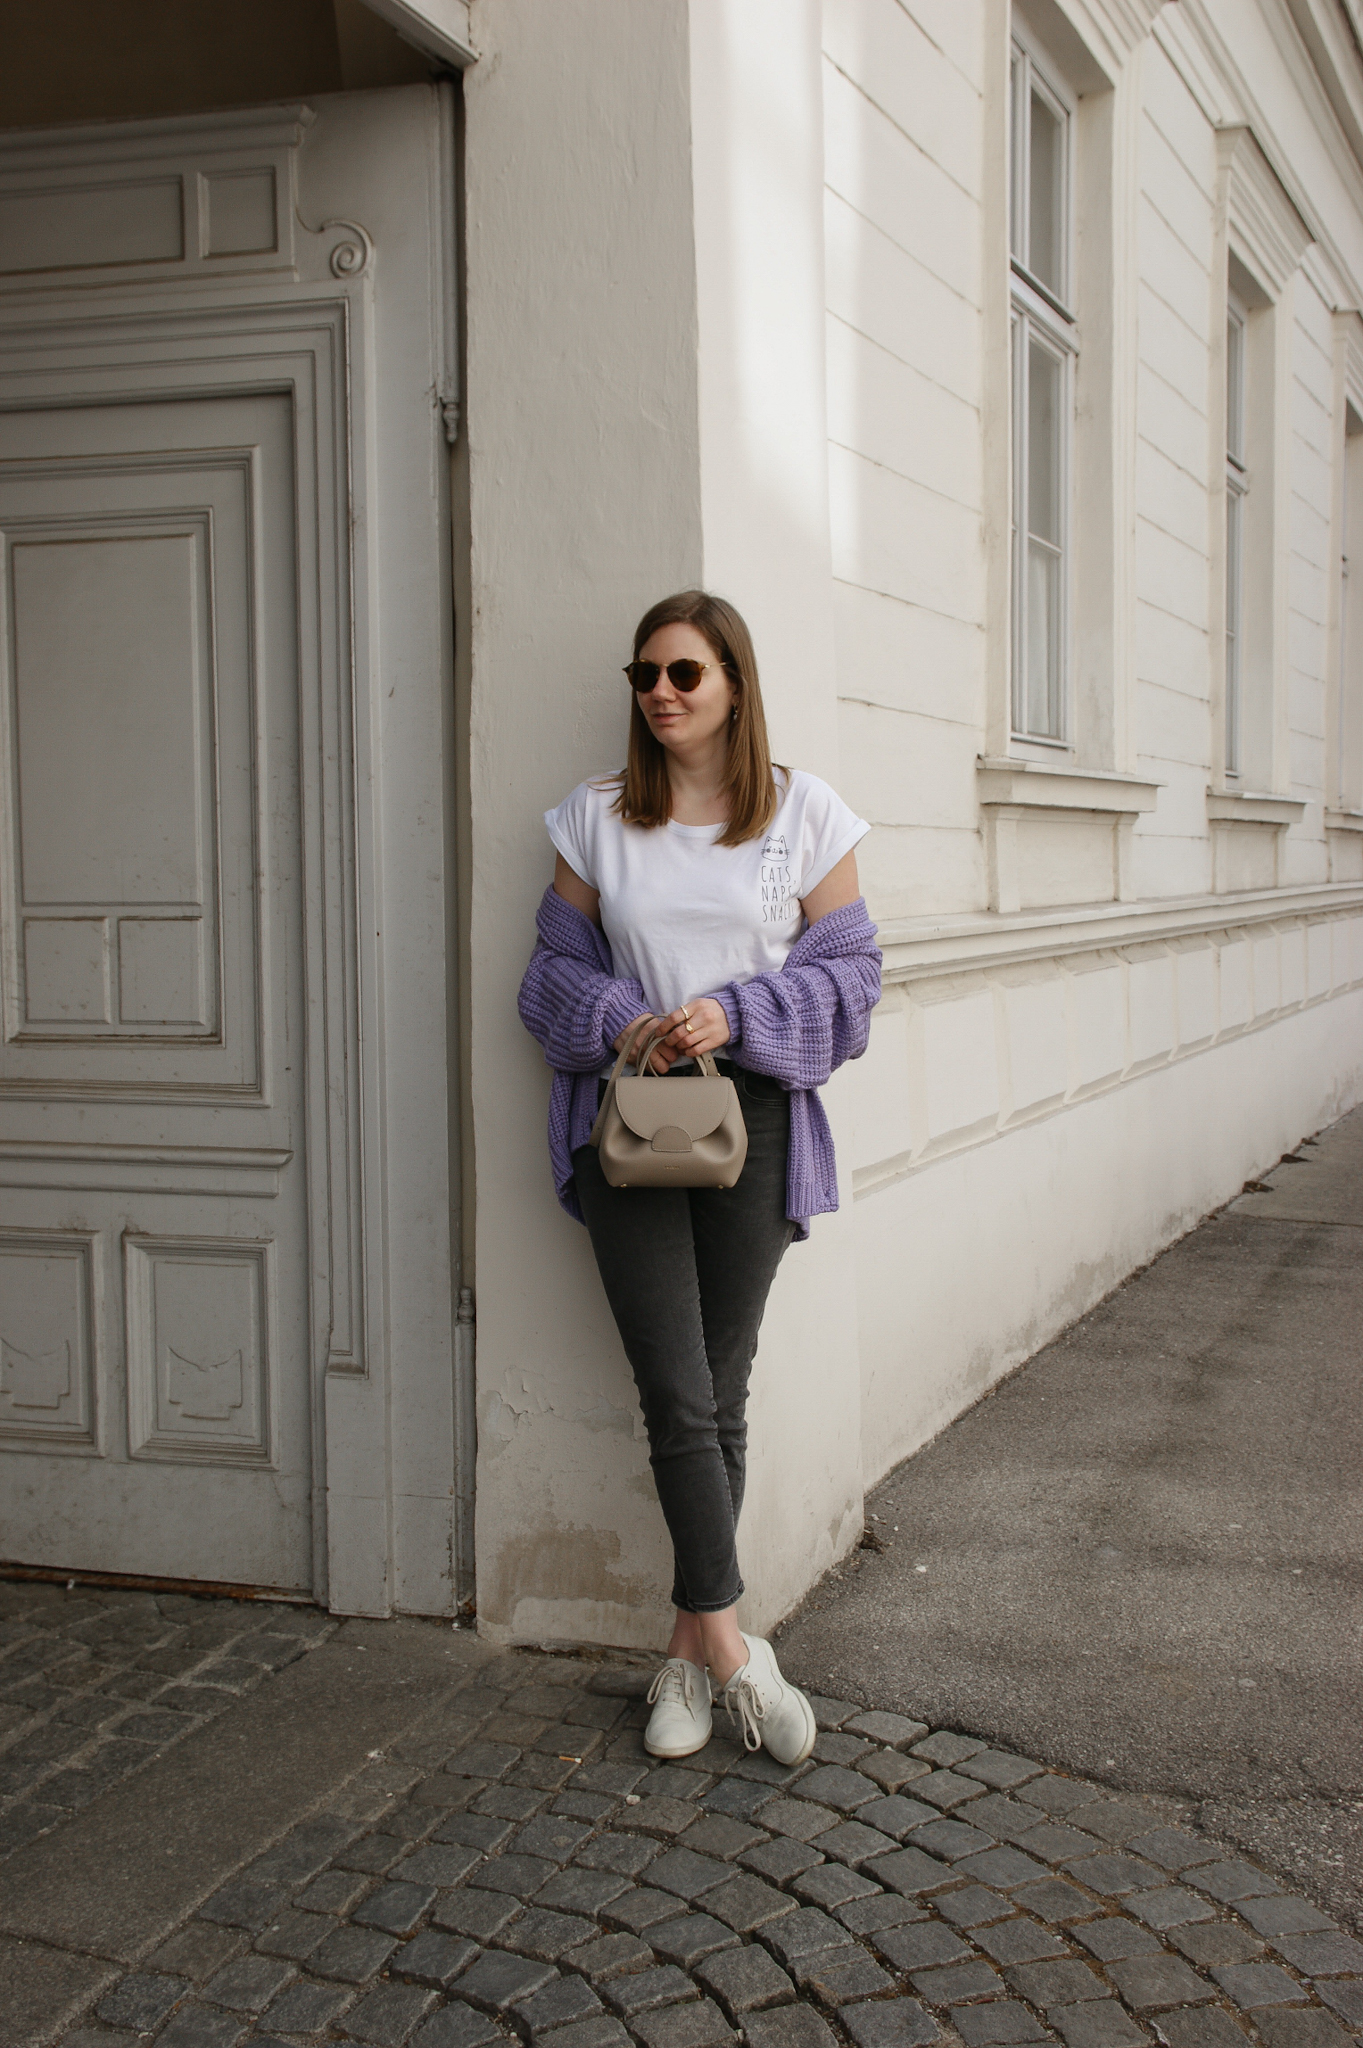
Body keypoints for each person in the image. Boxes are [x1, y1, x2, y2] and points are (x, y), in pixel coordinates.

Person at [519, 590, 881, 1765]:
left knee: (718, 1394)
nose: (661, 694)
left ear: (733, 679)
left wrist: (736, 1008)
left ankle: (683, 1650)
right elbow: (547, 975)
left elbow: (853, 981)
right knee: (677, 1390)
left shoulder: (804, 814)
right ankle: (736, 1651)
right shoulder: (596, 818)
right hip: (627, 1121)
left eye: (683, 672)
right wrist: (625, 1013)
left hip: (754, 1120)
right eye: (645, 676)